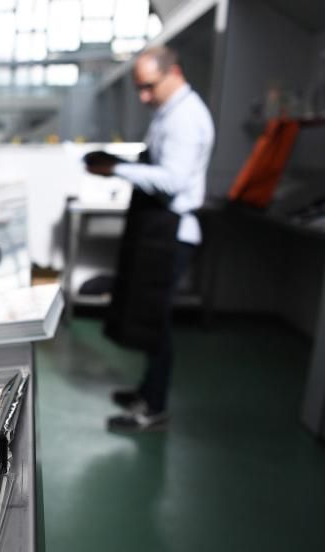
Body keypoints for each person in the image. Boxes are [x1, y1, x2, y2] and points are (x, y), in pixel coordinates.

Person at [85, 46, 215, 433]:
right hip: (159, 229)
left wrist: (119, 170)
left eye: (148, 87)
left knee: (156, 322)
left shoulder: (186, 119)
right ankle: (146, 389)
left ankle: (154, 407)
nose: (143, 97)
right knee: (145, 314)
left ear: (173, 73)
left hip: (173, 231)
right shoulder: (168, 113)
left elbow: (173, 180)